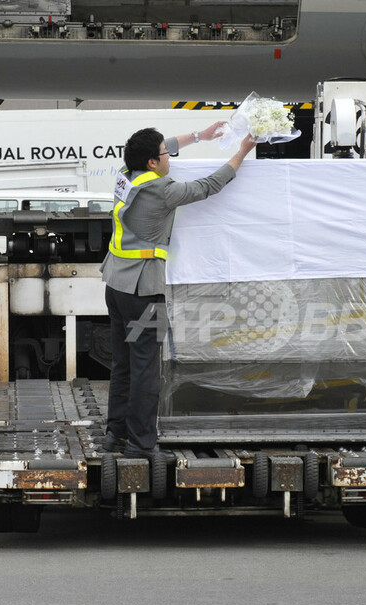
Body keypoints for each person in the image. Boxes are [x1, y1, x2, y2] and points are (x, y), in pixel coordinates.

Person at [100, 124, 257, 459]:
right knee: (146, 368)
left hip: (115, 286)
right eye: (165, 154)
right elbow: (209, 185)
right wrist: (242, 151)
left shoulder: (126, 176)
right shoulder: (162, 190)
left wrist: (200, 136)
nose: (170, 156)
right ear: (152, 162)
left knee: (123, 365)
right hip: (145, 293)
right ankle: (141, 444)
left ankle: (115, 435)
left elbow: (159, 146)